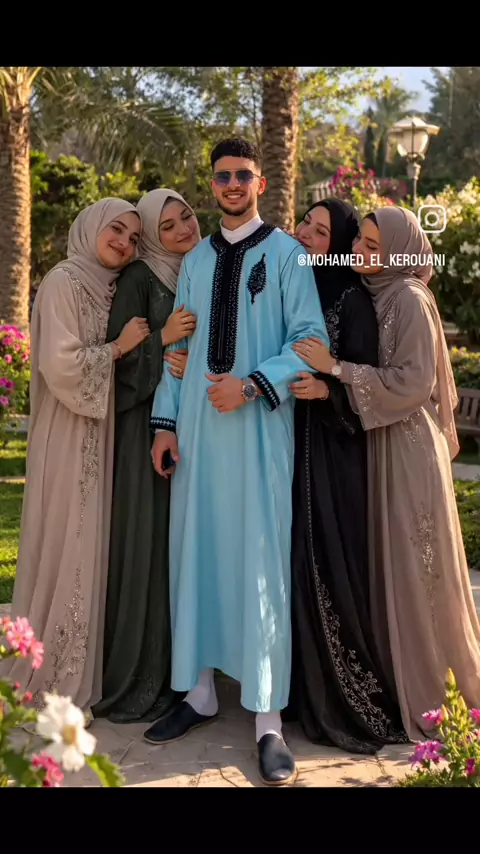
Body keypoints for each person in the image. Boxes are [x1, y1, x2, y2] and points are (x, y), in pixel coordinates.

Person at [144, 137, 329, 786]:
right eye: (221, 175)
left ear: (260, 182)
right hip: (198, 439)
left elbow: (309, 341)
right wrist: (166, 422)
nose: (230, 184)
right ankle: (198, 692)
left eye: (241, 175)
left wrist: (250, 384)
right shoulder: (195, 259)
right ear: (212, 182)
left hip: (257, 436)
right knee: (194, 555)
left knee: (259, 566)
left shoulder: (287, 256)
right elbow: (179, 352)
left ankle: (267, 719)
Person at [296, 205, 480, 740]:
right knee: (396, 568)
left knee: (420, 568)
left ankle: (440, 692)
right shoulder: (377, 292)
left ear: (399, 251)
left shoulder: (409, 298)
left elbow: (413, 382)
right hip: (383, 440)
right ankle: (405, 680)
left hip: (408, 447)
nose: (360, 252)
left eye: (374, 247)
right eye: (361, 241)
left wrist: (334, 369)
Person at [3, 199, 149, 716]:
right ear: (90, 227)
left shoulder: (110, 286)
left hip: (100, 428)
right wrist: (118, 347)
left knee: (88, 543)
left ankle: (80, 661)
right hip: (66, 431)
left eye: (134, 238)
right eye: (116, 229)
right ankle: (53, 670)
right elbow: (60, 365)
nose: (124, 243)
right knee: (69, 539)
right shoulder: (63, 281)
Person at [287, 199, 408, 753]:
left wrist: (326, 389)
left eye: (320, 231)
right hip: (289, 445)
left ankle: (337, 692)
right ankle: (296, 689)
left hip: (332, 455)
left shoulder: (353, 301)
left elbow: (369, 385)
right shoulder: (297, 286)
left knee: (324, 560)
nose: (306, 235)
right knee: (292, 561)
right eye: (304, 224)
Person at [94, 189, 200, 723]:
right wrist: (163, 339)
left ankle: (186, 672)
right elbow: (121, 366)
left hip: (196, 428)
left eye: (187, 217)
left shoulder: (202, 274)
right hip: (144, 434)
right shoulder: (139, 279)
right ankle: (140, 675)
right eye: (168, 226)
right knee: (148, 546)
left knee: (182, 550)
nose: (183, 230)